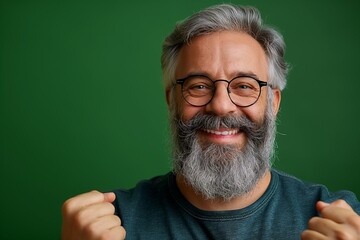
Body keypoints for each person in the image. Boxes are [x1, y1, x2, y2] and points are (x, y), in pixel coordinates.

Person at [61, 4, 360, 240]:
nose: (220, 105)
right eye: (199, 86)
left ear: (273, 103)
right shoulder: (109, 225)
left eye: (244, 86)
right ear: (172, 100)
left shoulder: (341, 222)